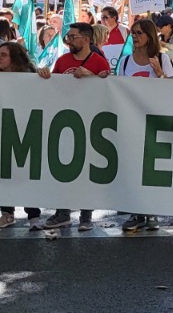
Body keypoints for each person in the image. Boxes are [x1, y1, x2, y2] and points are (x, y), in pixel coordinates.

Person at [37, 21, 108, 231]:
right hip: (64, 123)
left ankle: (86, 215)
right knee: (63, 168)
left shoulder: (99, 62)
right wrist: (45, 75)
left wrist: (92, 77)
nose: (68, 40)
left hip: (90, 123)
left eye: (72, 37)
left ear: (86, 40)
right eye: (67, 37)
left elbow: (109, 90)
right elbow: (54, 87)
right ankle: (63, 213)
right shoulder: (62, 61)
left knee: (87, 170)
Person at [0, 42, 46, 230]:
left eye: (3, 55)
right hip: (2, 130)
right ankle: (7, 213)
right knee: (4, 172)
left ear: (15, 58)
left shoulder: (31, 76)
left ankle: (33, 216)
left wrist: (44, 75)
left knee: (25, 172)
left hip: (25, 131)